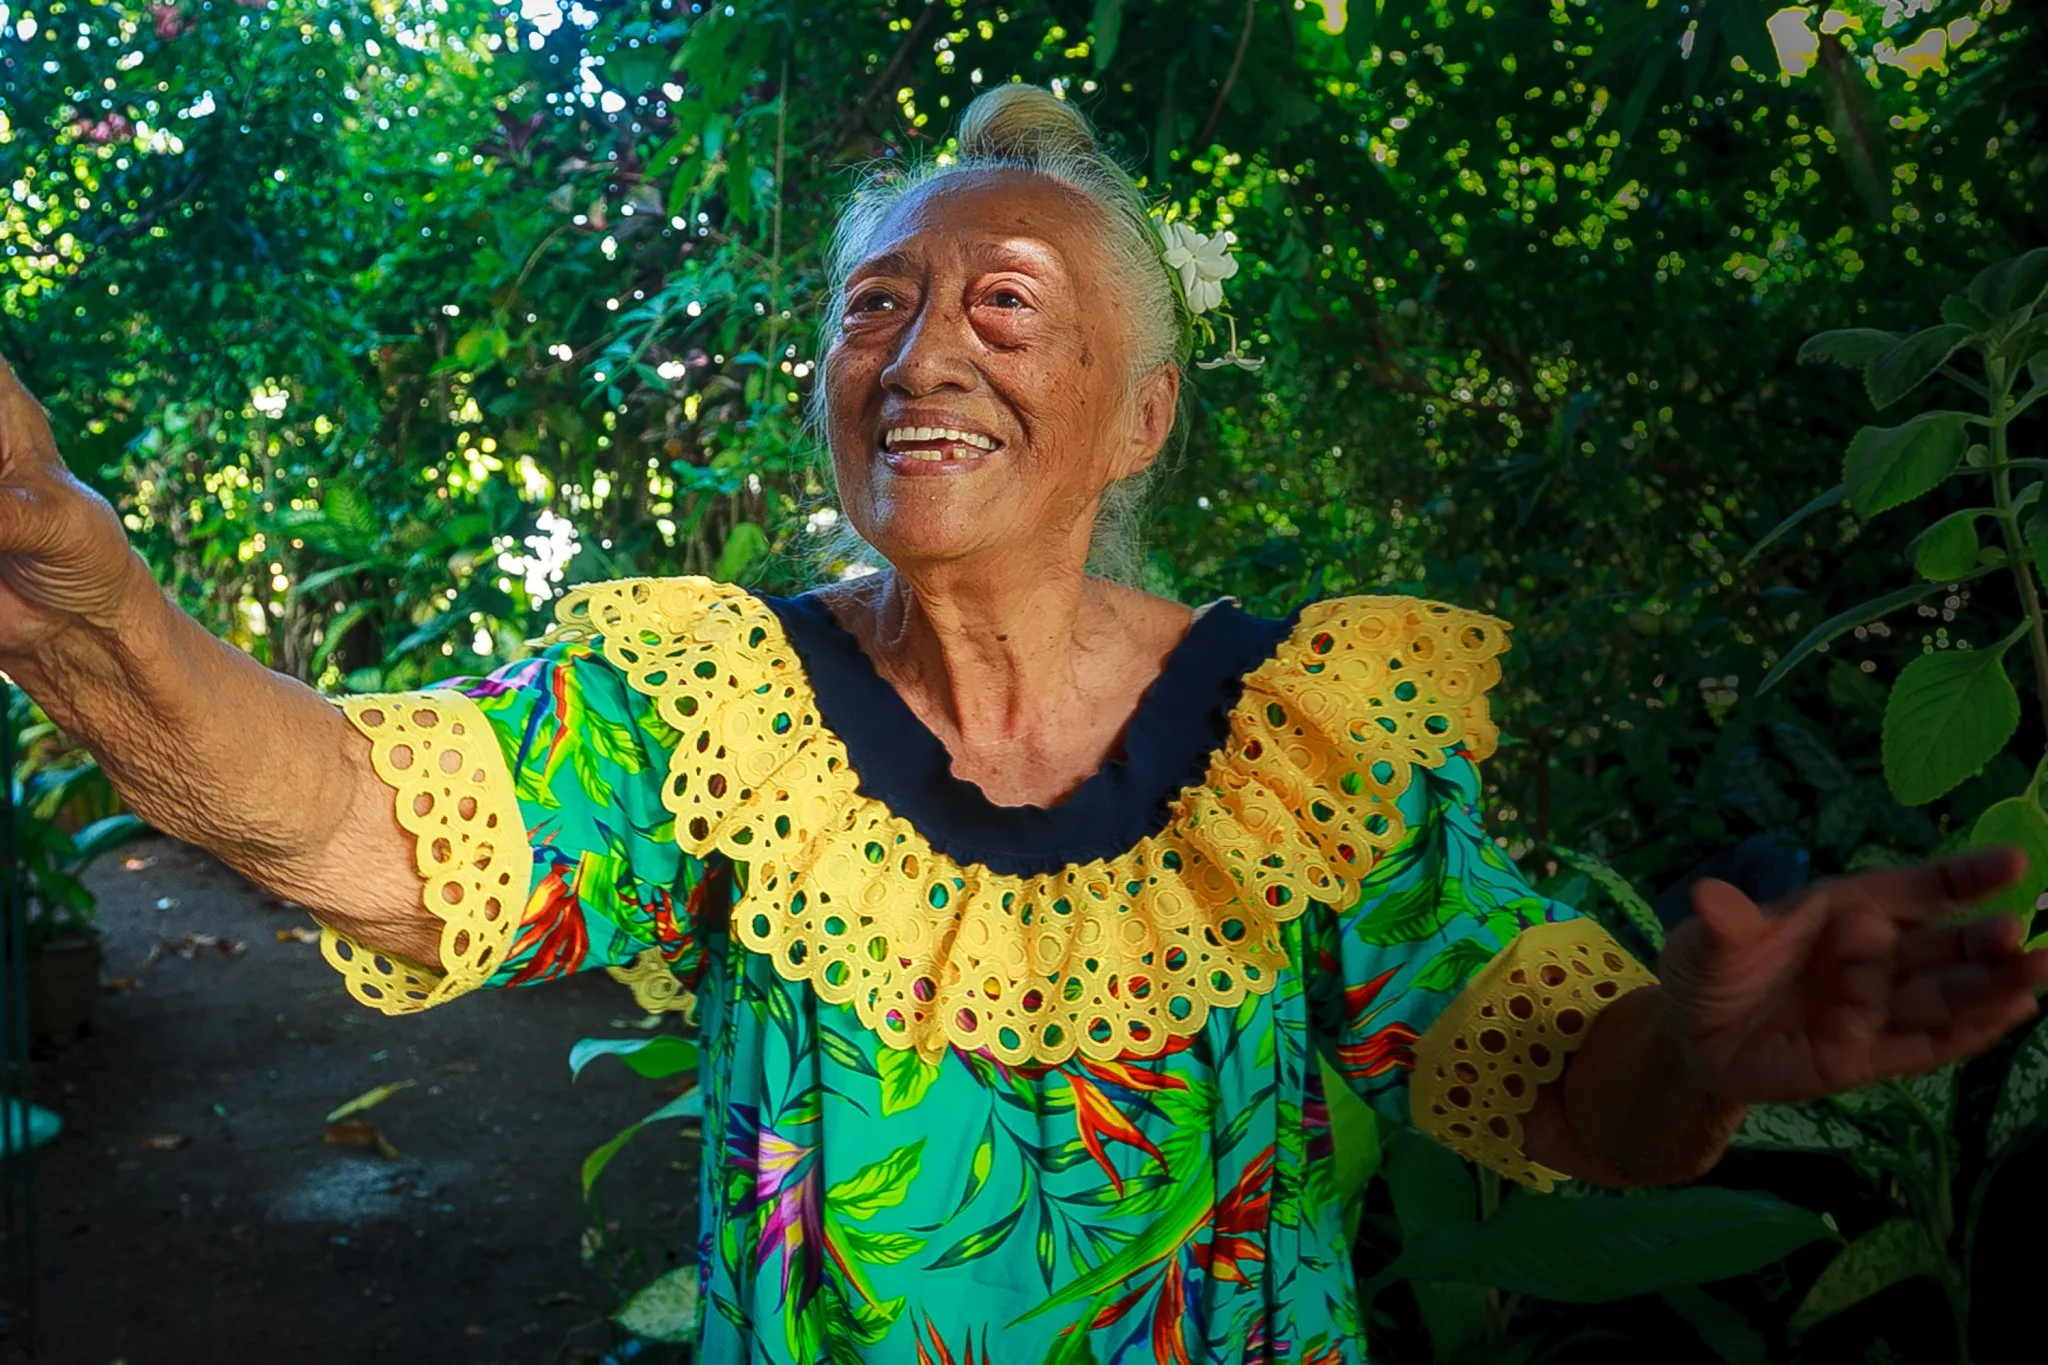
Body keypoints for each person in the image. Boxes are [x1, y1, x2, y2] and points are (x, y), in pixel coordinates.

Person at [2, 84, 2043, 1365]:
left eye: (1004, 309)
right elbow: (361, 825)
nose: (918, 351)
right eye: (875, 303)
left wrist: (1692, 1046)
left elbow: (1577, 1102)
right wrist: (91, 603)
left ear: (1137, 418)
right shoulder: (722, 709)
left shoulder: (1299, 745)